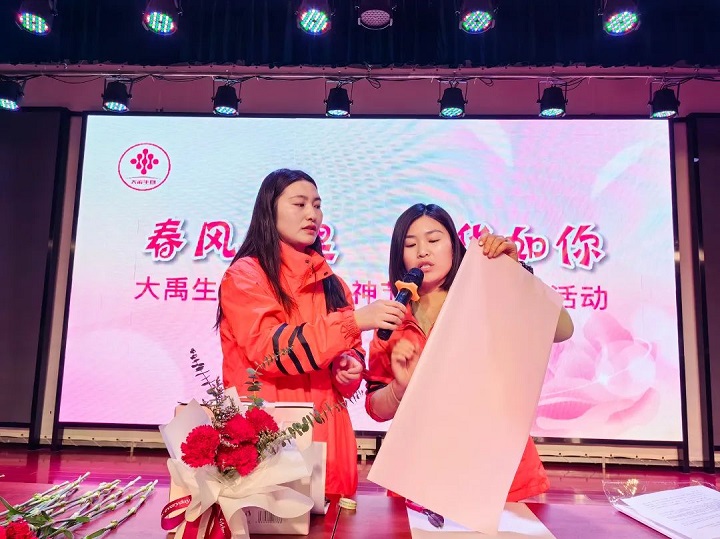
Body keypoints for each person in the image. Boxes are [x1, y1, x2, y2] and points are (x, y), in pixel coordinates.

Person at [365, 203, 574, 502]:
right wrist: (400, 388)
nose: (423, 251)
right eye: (410, 245)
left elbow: (562, 329)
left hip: (495, 468)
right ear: (399, 256)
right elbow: (376, 408)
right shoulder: (391, 320)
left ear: (455, 246)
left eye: (434, 240)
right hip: (422, 473)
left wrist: (514, 274)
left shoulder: (487, 293)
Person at [217, 169, 406, 497]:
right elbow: (271, 351)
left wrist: (348, 369)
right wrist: (352, 323)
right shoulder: (245, 276)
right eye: (299, 204)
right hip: (268, 445)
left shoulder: (334, 285)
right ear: (269, 209)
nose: (312, 214)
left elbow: (348, 371)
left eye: (317, 205)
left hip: (331, 448)